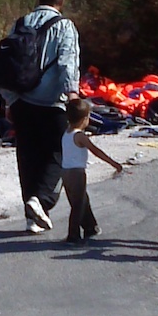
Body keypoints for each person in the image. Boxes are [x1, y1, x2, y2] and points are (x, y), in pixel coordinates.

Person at [6, 0, 81, 234]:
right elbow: (67, 62)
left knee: (28, 158)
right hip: (52, 103)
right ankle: (42, 201)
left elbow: (7, 63)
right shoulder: (65, 26)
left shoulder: (19, 24)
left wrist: (9, 99)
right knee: (56, 156)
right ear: (61, 1)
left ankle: (33, 217)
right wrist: (72, 96)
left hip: (21, 102)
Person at [61, 98, 123, 244]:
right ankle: (73, 235)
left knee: (82, 200)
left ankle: (90, 227)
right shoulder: (80, 135)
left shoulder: (66, 132)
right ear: (84, 119)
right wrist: (115, 164)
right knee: (78, 204)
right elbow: (96, 151)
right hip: (77, 173)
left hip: (65, 172)